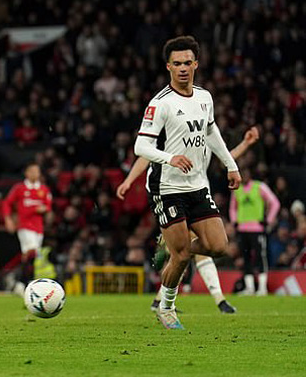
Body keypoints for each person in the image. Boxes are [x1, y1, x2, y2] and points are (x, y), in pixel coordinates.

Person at [133, 36, 241, 329]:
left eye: (187, 63)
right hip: (166, 188)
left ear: (196, 64)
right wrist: (170, 158)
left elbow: (211, 131)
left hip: (196, 184)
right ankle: (166, 307)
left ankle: (173, 244)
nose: (182, 68)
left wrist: (231, 165)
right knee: (180, 257)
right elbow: (140, 148)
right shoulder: (161, 104)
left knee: (219, 246)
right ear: (168, 66)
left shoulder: (205, 97)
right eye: (177, 63)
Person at [118, 127, 260, 314]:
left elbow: (225, 156)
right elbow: (146, 154)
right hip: (173, 194)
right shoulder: (172, 132)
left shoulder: (203, 130)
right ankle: (218, 300)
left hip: (199, 194)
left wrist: (245, 144)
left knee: (200, 249)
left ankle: (161, 296)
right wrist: (129, 180)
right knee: (191, 253)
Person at [2, 162, 53, 296]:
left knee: (31, 256)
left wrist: (44, 209)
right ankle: (26, 283)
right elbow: (7, 203)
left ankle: (20, 283)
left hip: (38, 228)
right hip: (25, 226)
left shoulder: (43, 189)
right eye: (32, 171)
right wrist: (8, 219)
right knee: (31, 252)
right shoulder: (19, 188)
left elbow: (48, 205)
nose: (35, 174)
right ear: (27, 173)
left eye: (37, 171)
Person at [229, 166, 280, 296]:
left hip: (257, 229)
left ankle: (262, 288)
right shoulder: (237, 189)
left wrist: (268, 220)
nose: (244, 177)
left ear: (250, 175)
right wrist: (235, 221)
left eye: (246, 174)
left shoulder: (259, 187)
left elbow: (275, 203)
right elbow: (233, 208)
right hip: (242, 229)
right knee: (246, 258)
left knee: (260, 257)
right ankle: (250, 288)